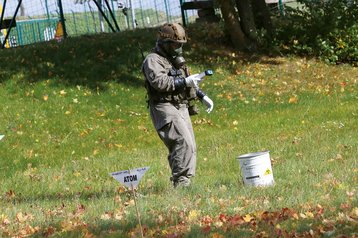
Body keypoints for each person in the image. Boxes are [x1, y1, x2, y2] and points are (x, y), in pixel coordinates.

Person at [142, 23, 214, 188]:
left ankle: (185, 181)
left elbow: (188, 80)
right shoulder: (152, 60)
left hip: (180, 105)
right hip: (164, 106)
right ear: (164, 43)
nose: (178, 49)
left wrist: (202, 96)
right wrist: (184, 81)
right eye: (175, 45)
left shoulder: (175, 60)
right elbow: (160, 82)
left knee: (191, 145)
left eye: (181, 45)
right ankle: (181, 183)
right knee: (182, 141)